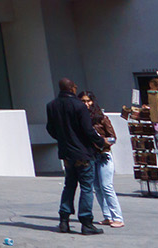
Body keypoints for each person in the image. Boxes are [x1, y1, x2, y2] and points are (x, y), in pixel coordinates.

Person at [46, 78, 104, 235]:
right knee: (86, 187)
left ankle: (64, 220)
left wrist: (63, 139)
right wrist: (100, 142)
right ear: (72, 88)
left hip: (66, 152)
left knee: (69, 185)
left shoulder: (52, 105)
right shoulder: (79, 106)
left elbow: (50, 129)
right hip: (82, 152)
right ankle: (86, 222)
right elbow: (88, 130)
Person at [82, 92, 124, 228]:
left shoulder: (102, 118)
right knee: (97, 187)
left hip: (103, 154)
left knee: (107, 186)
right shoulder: (81, 119)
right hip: (90, 155)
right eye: (83, 101)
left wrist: (101, 142)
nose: (86, 104)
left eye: (88, 101)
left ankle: (117, 217)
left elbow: (113, 137)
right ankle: (107, 216)